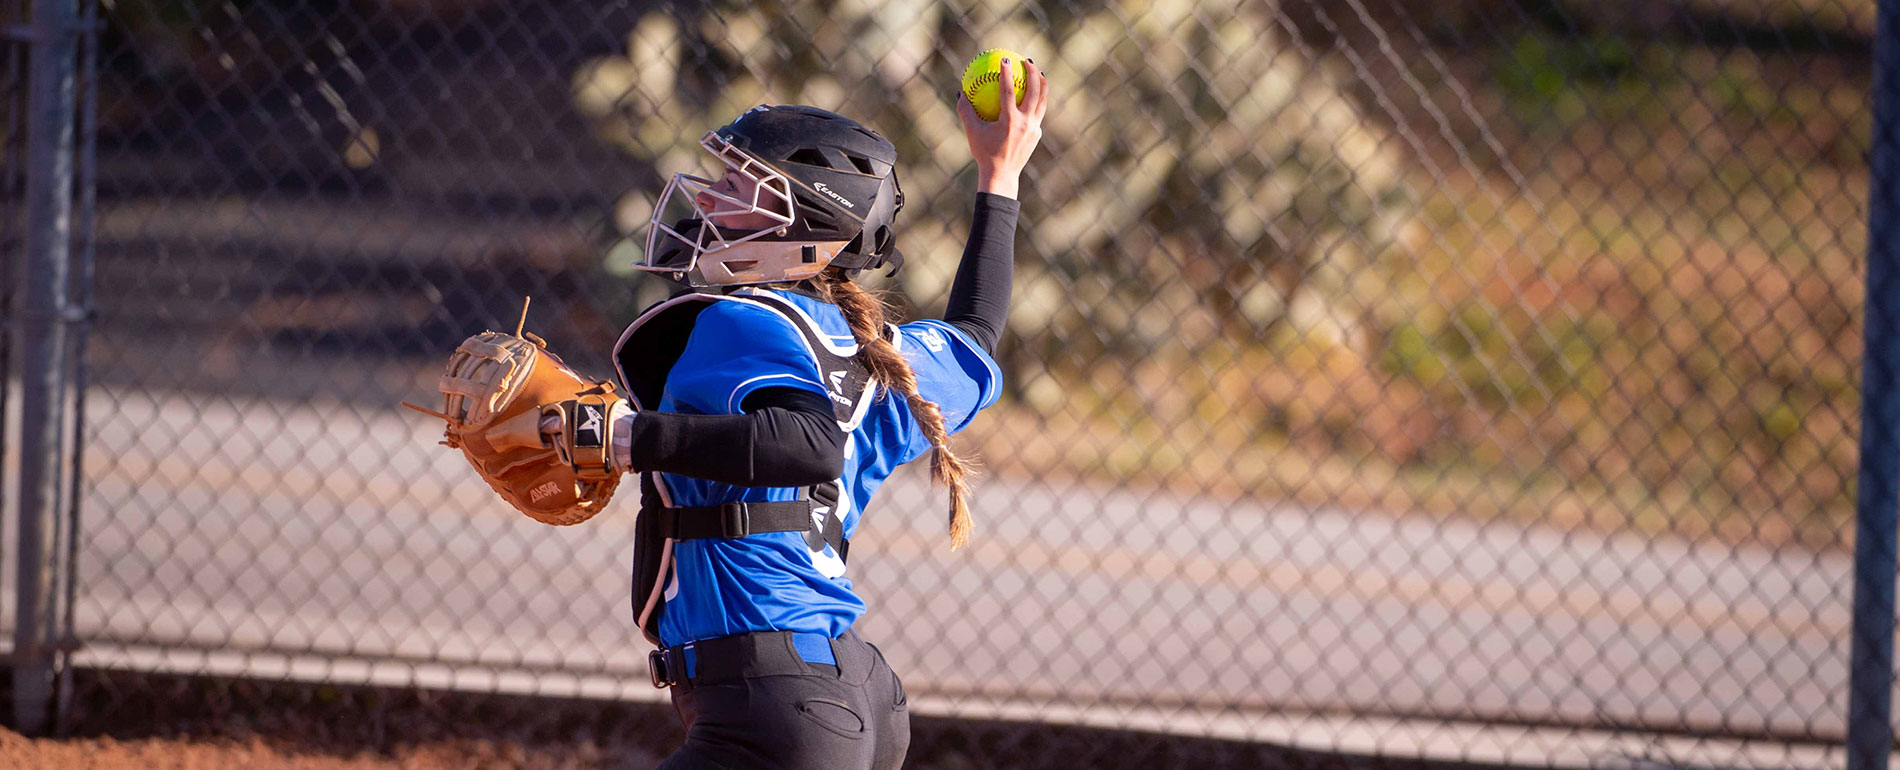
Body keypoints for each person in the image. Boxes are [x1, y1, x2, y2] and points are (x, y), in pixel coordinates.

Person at [593, 60, 1048, 770]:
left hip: (774, 707)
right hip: (848, 695)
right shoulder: (875, 347)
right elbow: (978, 333)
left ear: (803, 217)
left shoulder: (742, 321)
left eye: (739, 186)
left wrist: (623, 437)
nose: (709, 199)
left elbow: (806, 445)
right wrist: (1001, 177)